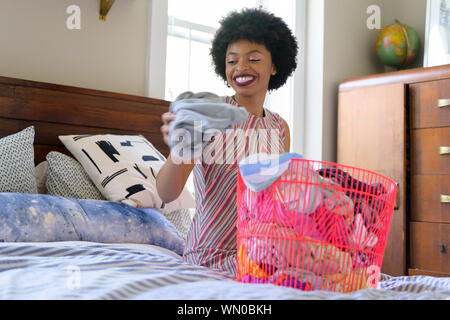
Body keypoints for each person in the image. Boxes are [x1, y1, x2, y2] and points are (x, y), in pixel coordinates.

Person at [156, 7, 298, 277]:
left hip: (261, 256)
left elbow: (274, 204)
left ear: (275, 65)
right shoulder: (208, 112)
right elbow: (166, 193)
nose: (241, 67)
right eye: (232, 60)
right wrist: (183, 145)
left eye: (253, 59)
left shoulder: (279, 127)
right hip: (209, 255)